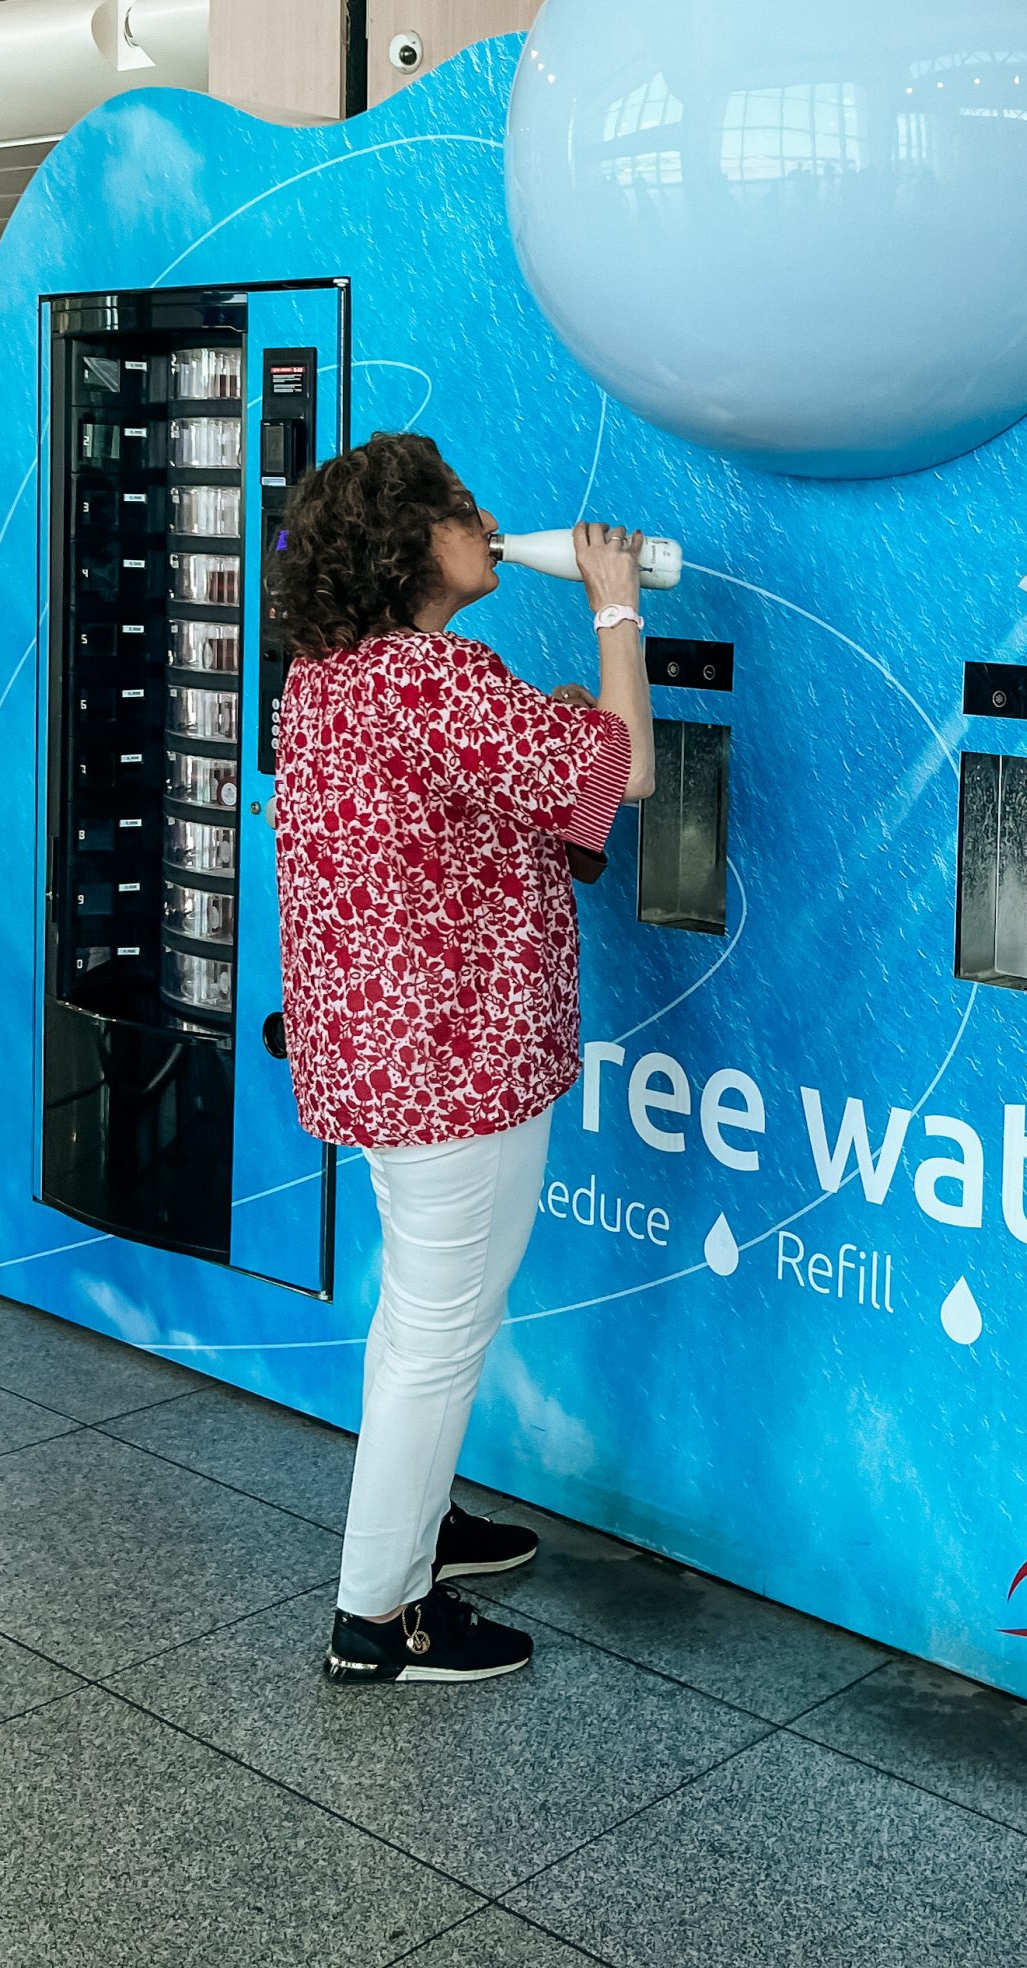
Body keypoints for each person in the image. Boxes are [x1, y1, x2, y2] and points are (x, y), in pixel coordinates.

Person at [270, 431, 654, 1684]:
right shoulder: (435, 677)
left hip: (383, 1063)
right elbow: (626, 770)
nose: (484, 525)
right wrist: (612, 607)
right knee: (442, 1331)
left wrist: (542, 729)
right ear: (408, 546)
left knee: (415, 1318)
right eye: (460, 510)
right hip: (460, 1065)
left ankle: (421, 1525)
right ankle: (380, 1618)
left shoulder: (326, 680)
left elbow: (459, 807)